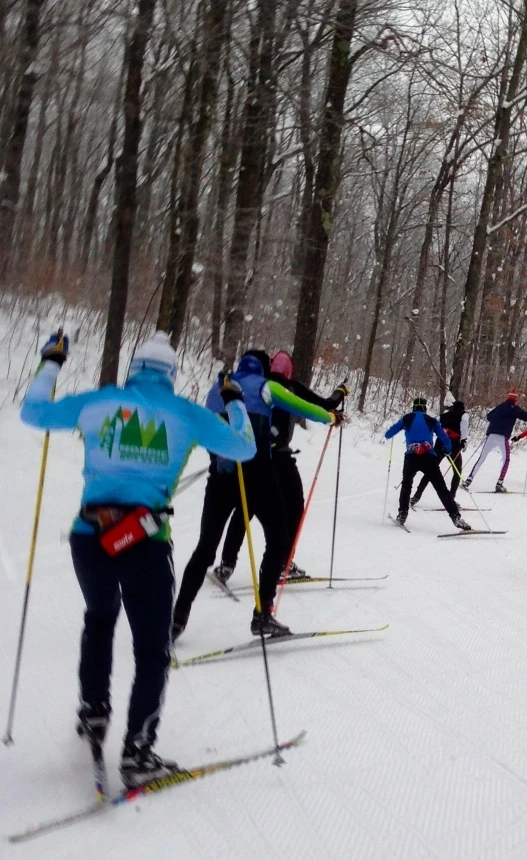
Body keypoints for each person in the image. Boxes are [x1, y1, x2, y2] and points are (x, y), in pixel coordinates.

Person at [20, 330, 256, 787]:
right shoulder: (186, 414)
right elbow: (244, 448)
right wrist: (235, 400)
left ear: (134, 369)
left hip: (90, 537)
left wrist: (52, 361)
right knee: (152, 650)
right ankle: (137, 751)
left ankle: (93, 711)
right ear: (170, 375)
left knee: (100, 618)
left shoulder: (99, 401)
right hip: (145, 542)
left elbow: (33, 412)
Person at [173, 349, 340, 641]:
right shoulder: (266, 386)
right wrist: (330, 416)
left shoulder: (217, 390)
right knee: (278, 539)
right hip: (259, 477)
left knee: (205, 548)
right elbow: (305, 408)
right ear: (263, 369)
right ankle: (262, 614)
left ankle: (176, 619)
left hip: (221, 479)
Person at [215, 350, 346, 581]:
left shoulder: (256, 385)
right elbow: (325, 404)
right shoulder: (290, 388)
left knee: (245, 508)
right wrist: (341, 392)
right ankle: (283, 562)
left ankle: (227, 563)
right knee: (294, 507)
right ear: (289, 370)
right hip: (279, 457)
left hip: (252, 456)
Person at [384, 397, 470, 528]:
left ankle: (402, 514)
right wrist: (448, 449)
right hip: (428, 457)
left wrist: (393, 434)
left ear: (413, 407)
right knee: (441, 488)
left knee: (406, 485)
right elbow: (444, 438)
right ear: (425, 408)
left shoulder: (406, 418)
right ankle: (456, 517)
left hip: (411, 456)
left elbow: (389, 433)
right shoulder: (431, 420)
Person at [462, 389, 527, 493]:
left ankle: (468, 480)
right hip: (502, 437)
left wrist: (497, 422)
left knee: (481, 458)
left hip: (491, 435)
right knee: (506, 459)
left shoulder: (501, 406)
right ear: (515, 399)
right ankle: (499, 483)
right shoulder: (514, 409)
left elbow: (488, 416)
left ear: (508, 397)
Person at [411, 397, 469, 506]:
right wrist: (464, 440)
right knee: (457, 472)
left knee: (430, 470)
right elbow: (464, 424)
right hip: (454, 446)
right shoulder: (464, 415)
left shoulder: (444, 416)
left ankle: (416, 496)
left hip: (440, 443)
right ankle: (451, 498)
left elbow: (433, 425)